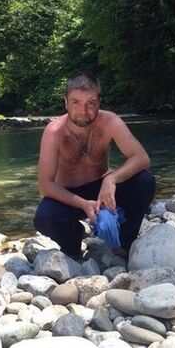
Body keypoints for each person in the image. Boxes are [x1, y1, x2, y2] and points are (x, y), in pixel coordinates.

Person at [34, 73, 156, 259]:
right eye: (76, 102)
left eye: (90, 103)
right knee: (44, 217)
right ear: (66, 103)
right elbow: (45, 185)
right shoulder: (55, 132)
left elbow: (141, 158)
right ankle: (74, 239)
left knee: (145, 181)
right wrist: (83, 204)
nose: (83, 110)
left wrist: (111, 179)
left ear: (99, 102)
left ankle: (125, 242)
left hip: (102, 191)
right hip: (69, 195)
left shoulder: (110, 122)